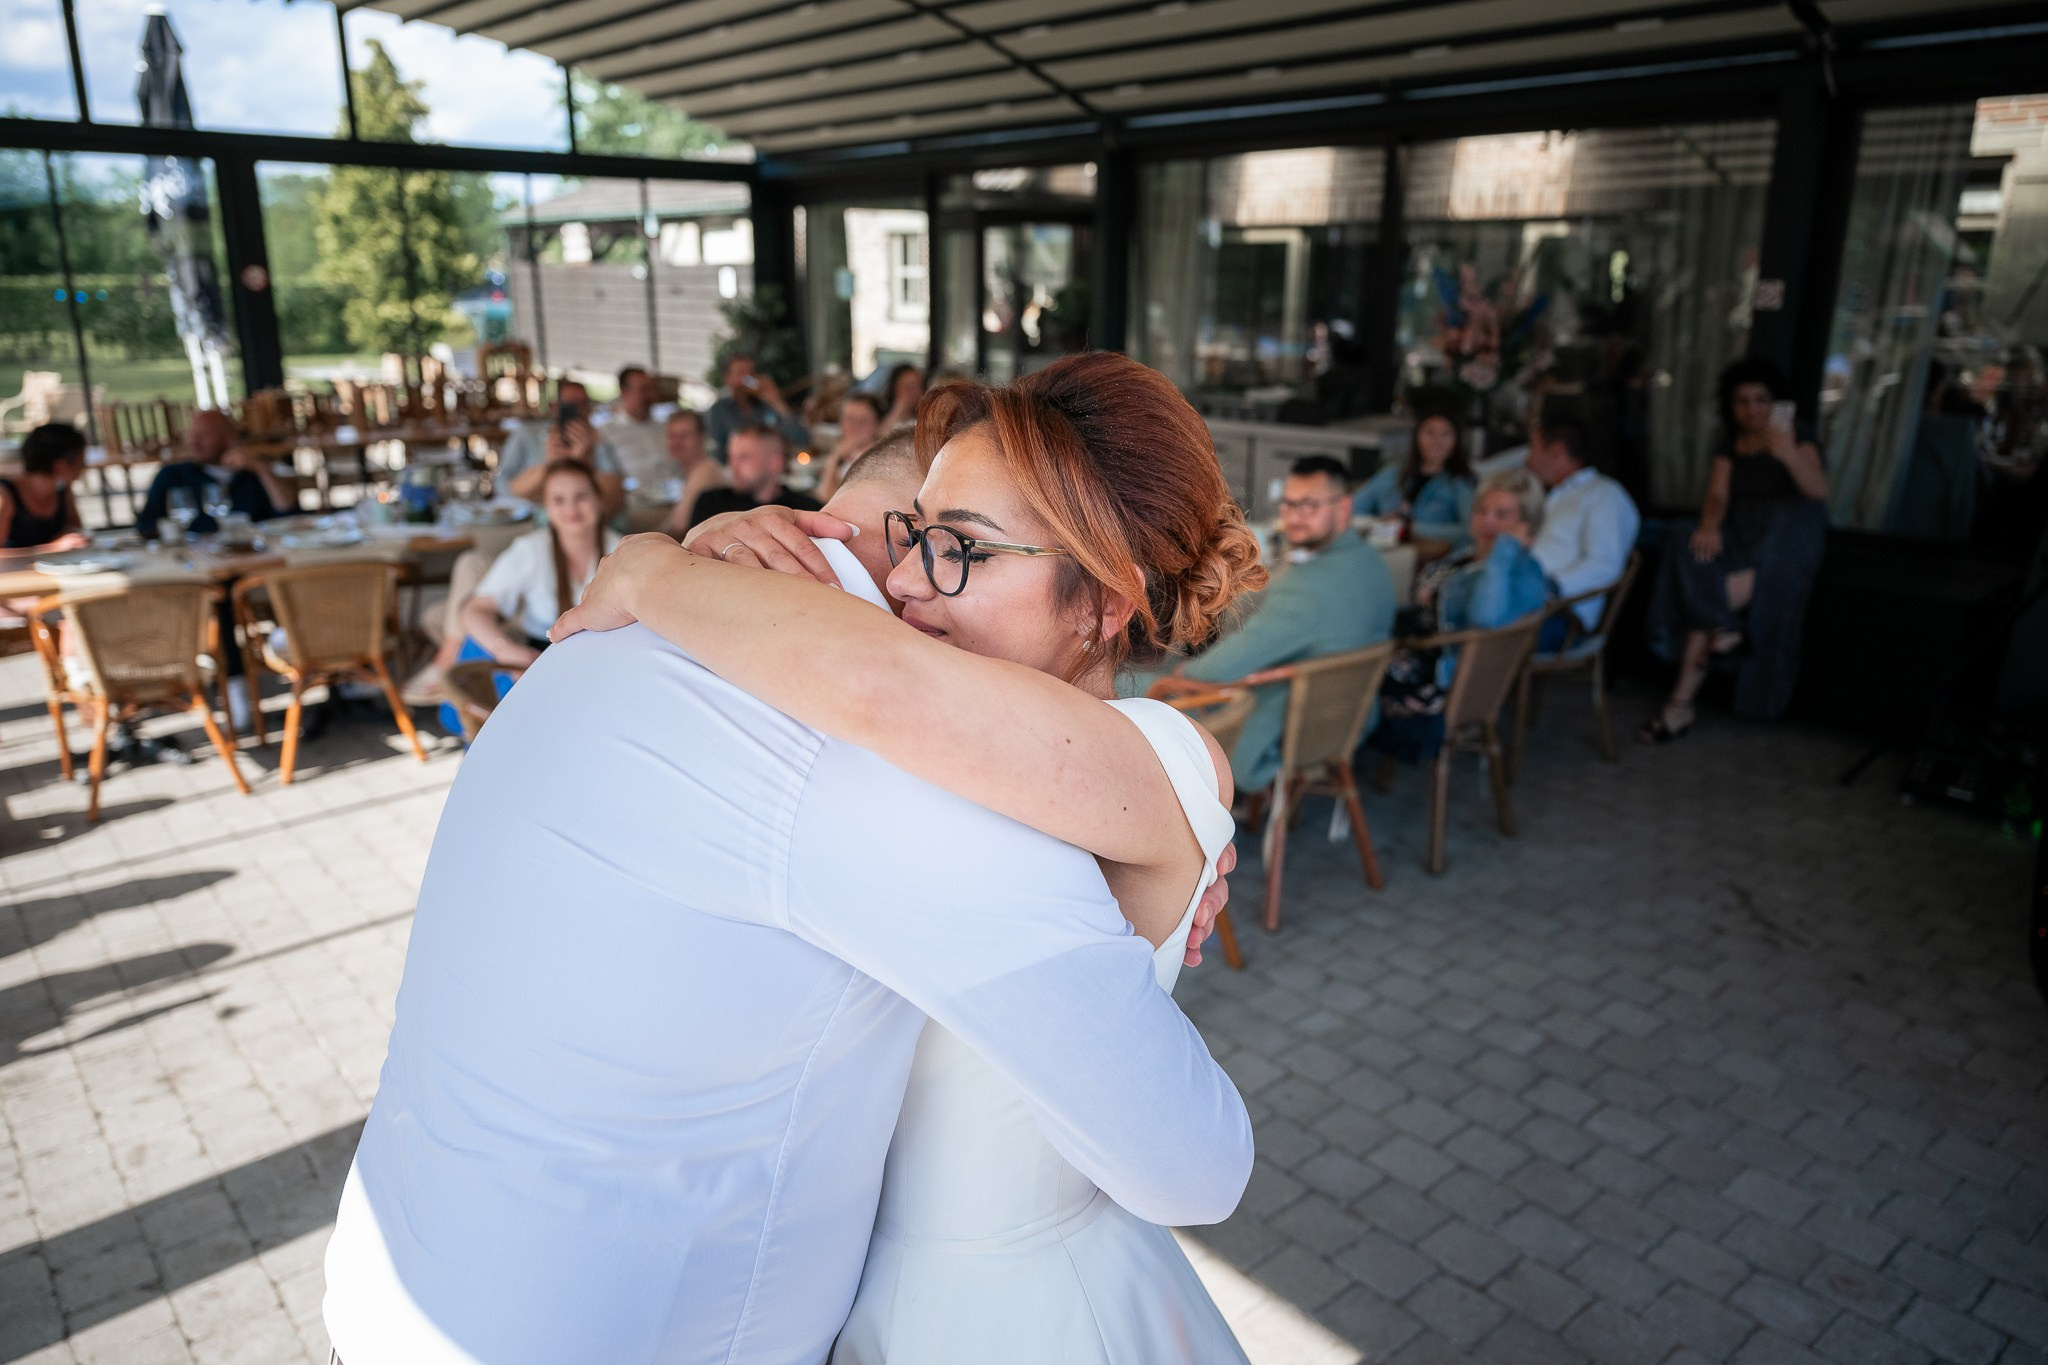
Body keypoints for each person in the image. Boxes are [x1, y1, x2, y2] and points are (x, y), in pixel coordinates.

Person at [322, 372, 1257, 1364]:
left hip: (995, 1310)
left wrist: (656, 571)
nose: (903, 583)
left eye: (959, 548)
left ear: (1103, 602)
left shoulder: (655, 649)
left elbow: (1193, 1170)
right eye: (912, 535)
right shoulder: (877, 745)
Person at [1143, 455, 1397, 792]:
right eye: (1289, 504)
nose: (1293, 517)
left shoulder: (1309, 589)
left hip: (1284, 733)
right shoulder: (1371, 562)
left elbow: (1209, 674)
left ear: (1344, 508)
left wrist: (1177, 676)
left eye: (1309, 506)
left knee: (1131, 681)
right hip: (1348, 718)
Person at [1641, 357, 1828, 741]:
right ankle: (1723, 633)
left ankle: (1679, 706)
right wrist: (1709, 524)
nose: (1752, 409)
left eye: (1761, 400)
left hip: (1784, 544)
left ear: (1775, 402)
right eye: (1743, 401)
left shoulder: (1798, 435)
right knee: (1682, 533)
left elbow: (1818, 491)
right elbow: (1717, 494)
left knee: (1703, 612)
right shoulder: (1732, 442)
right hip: (1740, 535)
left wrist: (1788, 452)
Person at [1370, 468, 1551, 759]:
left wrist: (1504, 551)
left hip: (1433, 681)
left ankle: (1318, 768)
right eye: (1482, 510)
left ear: (1526, 527)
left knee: (1331, 678)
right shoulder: (1468, 552)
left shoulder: (1522, 574)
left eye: (1502, 515)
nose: (1487, 521)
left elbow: (1485, 617)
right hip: (1408, 652)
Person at [455, 460, 619, 671]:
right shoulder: (531, 549)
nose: (571, 508)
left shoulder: (623, 549)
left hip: (607, 664)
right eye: (559, 500)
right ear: (546, 507)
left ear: (599, 499)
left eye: (581, 496)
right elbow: (474, 610)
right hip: (539, 664)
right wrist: (505, 649)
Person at [1526, 402, 1640, 646]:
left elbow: (1605, 564)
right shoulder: (1555, 495)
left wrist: (1548, 588)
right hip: (1526, 604)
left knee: (1478, 630)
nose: (1527, 460)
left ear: (1556, 452)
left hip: (1560, 615)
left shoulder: (1604, 494)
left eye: (1533, 449)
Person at [135, 409, 286, 541]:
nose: (194, 442)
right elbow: (145, 526)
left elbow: (287, 512)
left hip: (254, 554)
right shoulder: (173, 475)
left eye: (203, 436)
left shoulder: (251, 472)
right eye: (191, 435)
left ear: (229, 438)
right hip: (195, 560)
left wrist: (260, 468)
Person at [494, 379, 626, 518]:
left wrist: (582, 461)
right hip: (531, 519)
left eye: (583, 404)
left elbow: (616, 499)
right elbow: (502, 486)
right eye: (571, 405)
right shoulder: (526, 435)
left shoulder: (598, 440)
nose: (579, 411)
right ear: (554, 407)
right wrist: (550, 464)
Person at [1352, 409, 1477, 547]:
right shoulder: (1392, 474)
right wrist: (1378, 522)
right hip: (1383, 543)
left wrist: (1412, 529)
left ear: (1456, 440)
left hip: (1429, 552)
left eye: (1445, 434)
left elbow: (1470, 530)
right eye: (1430, 432)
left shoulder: (1460, 482)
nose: (1437, 441)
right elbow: (1353, 508)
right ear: (1417, 436)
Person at [681, 422, 822, 531]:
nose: (733, 466)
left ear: (776, 463)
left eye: (743, 457)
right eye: (731, 457)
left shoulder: (806, 511)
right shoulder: (711, 504)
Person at [703, 351, 812, 462]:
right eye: (741, 373)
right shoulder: (719, 410)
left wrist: (777, 402)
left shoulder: (766, 406)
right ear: (727, 379)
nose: (747, 379)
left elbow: (802, 439)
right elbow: (716, 453)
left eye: (751, 374)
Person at [1, 422, 88, 551]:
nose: (85, 466)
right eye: (81, 460)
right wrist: (52, 547)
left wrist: (75, 538)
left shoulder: (62, 490)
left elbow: (74, 528)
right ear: (60, 465)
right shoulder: (6, 495)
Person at [600, 365, 670, 490]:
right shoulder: (607, 434)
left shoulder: (665, 428)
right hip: (635, 505)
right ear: (625, 393)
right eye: (643, 390)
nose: (649, 396)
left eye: (651, 389)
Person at [812, 391, 884, 502]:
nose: (855, 426)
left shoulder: (879, 458)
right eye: (849, 419)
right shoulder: (844, 450)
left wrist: (834, 458)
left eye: (863, 421)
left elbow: (826, 497)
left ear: (877, 424)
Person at [879, 362, 924, 431]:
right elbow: (882, 436)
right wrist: (899, 409)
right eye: (908, 387)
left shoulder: (925, 417)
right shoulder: (881, 413)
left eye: (918, 386)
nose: (914, 392)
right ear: (895, 389)